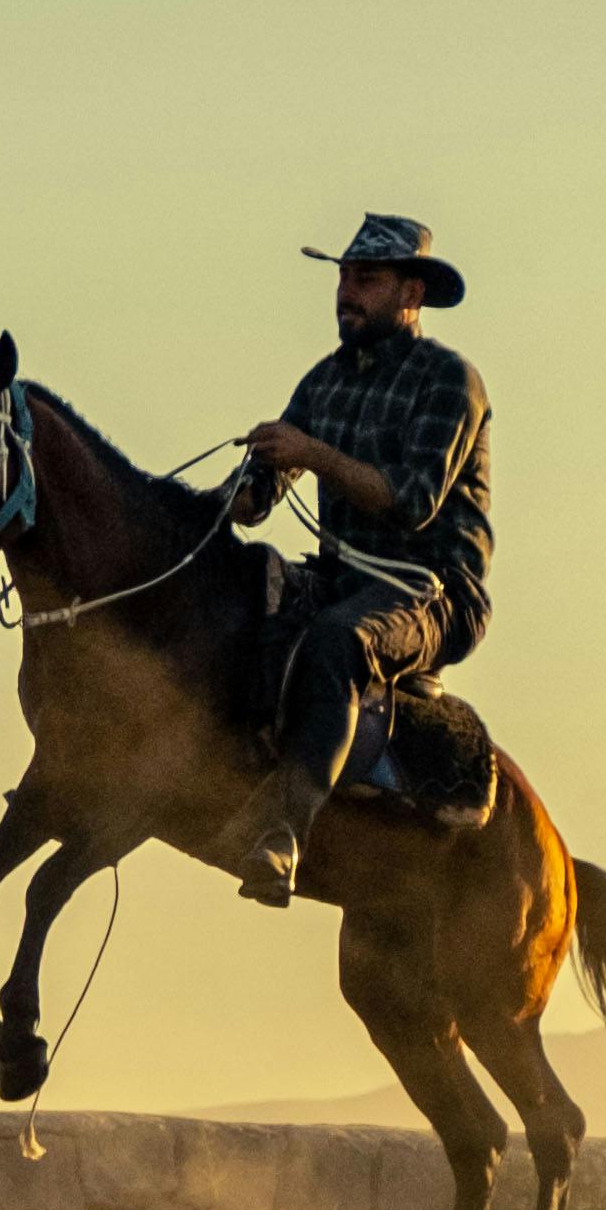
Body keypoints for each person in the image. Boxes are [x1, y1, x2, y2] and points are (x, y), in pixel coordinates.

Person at [217, 212, 494, 903]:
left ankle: (285, 835)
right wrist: (237, 495)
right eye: (343, 278)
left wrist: (309, 454)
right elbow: (260, 497)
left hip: (432, 591)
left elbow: (412, 503)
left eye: (365, 279)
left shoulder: (450, 381)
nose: (347, 292)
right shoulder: (323, 382)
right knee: (241, 595)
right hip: (341, 576)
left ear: (411, 293)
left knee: (340, 640)